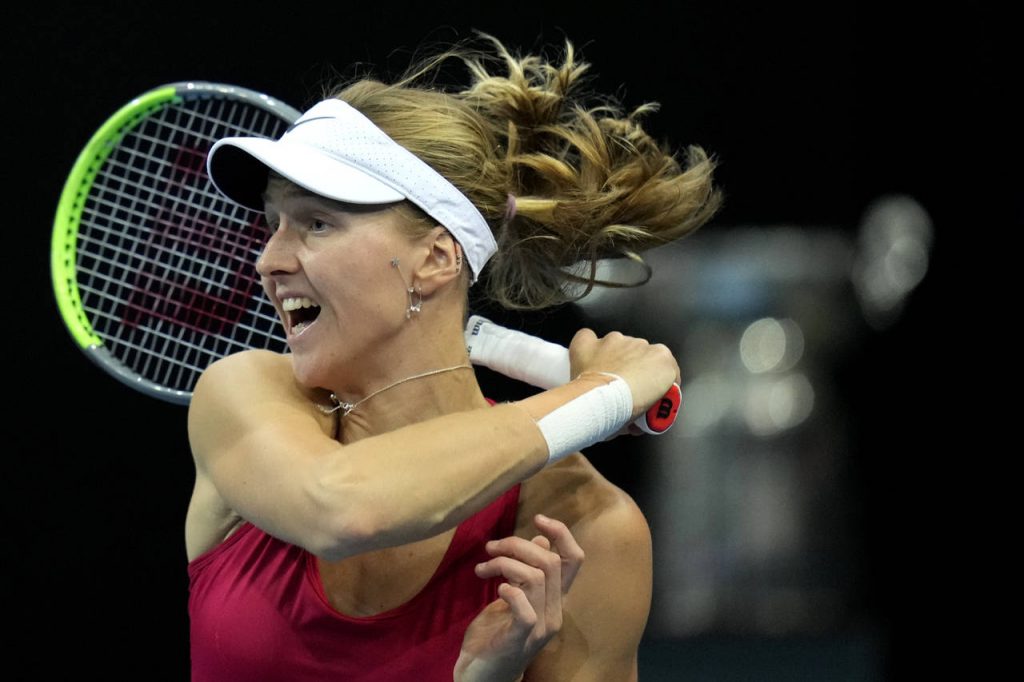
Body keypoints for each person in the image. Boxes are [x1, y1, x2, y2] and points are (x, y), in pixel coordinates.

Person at [186, 33, 720, 681]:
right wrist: (603, 394)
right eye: (273, 224)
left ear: (436, 259)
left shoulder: (588, 525)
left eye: (316, 223)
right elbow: (345, 507)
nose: (267, 261)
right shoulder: (242, 394)